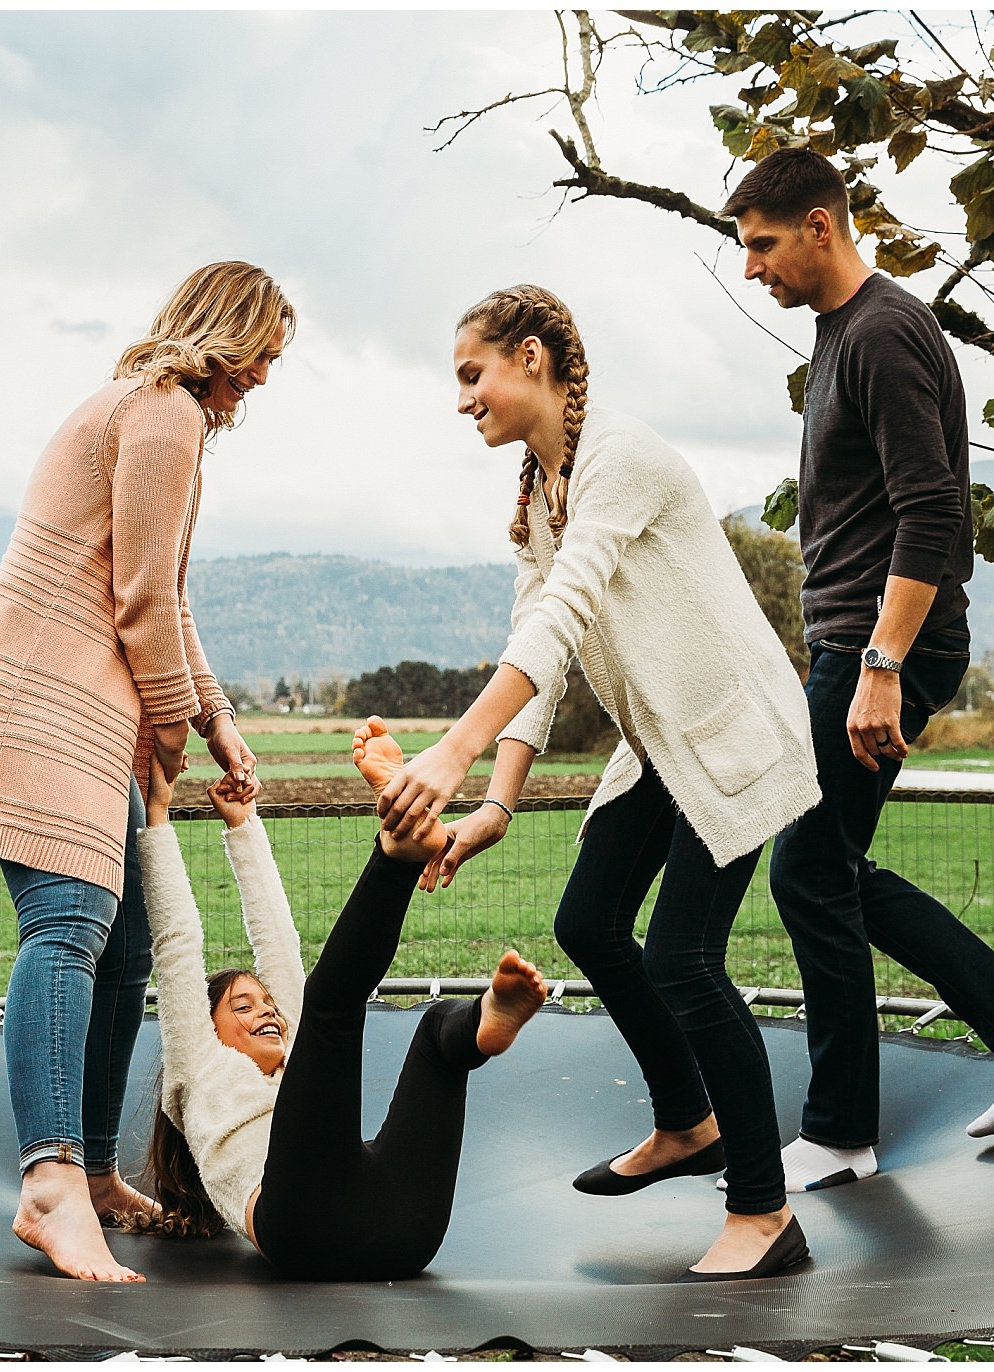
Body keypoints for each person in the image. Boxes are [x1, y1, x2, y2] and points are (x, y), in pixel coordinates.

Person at [376, 286, 823, 1280]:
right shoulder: (543, 483)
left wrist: (449, 752)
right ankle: (685, 1121)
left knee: (683, 959)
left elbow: (566, 607)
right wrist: (494, 799)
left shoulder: (617, 458)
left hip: (729, 734)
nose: (461, 401)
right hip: (661, 743)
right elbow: (538, 631)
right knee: (587, 923)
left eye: (470, 375)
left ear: (529, 357)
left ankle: (763, 1214)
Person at [0, 262, 291, 1282]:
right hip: (45, 699)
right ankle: (50, 1182)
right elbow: (138, 604)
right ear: (227, 332)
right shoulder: (161, 415)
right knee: (69, 926)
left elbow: (164, 593)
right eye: (262, 352)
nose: (263, 375)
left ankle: (95, 1172)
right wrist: (173, 728)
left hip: (74, 703)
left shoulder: (150, 411)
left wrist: (211, 716)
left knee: (123, 953)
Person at [723, 148, 994, 1195]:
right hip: (851, 642)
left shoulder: (882, 332)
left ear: (819, 227)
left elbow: (933, 512)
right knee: (826, 864)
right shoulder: (844, 334)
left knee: (804, 870)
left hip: (881, 645)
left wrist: (879, 662)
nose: (751, 269)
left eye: (760, 244)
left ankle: (840, 1130)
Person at [127, 720, 549, 1281]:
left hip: (406, 1229)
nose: (268, 1012)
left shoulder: (296, 1056)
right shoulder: (195, 1070)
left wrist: (244, 825)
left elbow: (276, 935)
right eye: (243, 1007)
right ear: (207, 1029)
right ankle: (398, 850)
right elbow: (177, 943)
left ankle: (481, 1026)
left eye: (265, 1002)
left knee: (438, 1028)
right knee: (332, 1003)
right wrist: (158, 817)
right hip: (301, 1225)